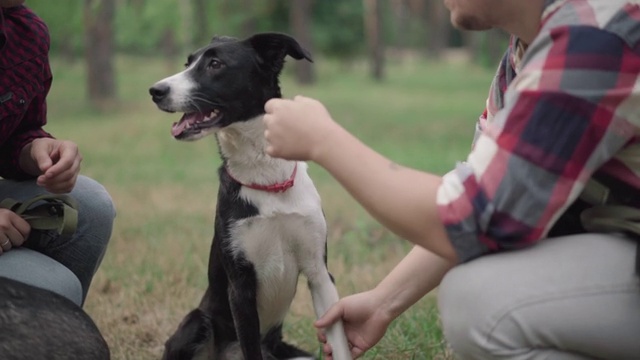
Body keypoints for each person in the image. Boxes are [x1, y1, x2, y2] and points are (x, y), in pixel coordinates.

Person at [263, 0, 640, 358]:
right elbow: (486, 190)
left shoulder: (594, 37)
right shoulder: (532, 48)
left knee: (482, 299)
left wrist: (324, 142)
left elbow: (476, 216)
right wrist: (384, 301)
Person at [0, 0, 114, 306]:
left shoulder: (26, 33)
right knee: (55, 289)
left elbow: (17, 134)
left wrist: (35, 149)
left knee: (90, 205)